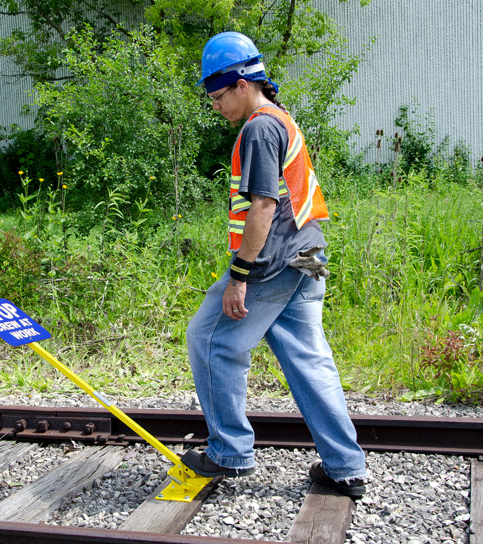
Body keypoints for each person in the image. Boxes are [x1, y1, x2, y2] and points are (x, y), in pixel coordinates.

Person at [180, 31, 367, 498]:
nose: (216, 105)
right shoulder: (282, 118)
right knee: (309, 360)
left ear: (242, 83)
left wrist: (239, 277)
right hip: (309, 254)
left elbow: (262, 208)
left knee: (209, 340)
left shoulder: (259, 127)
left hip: (275, 260)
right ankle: (346, 467)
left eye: (218, 95)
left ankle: (230, 452)